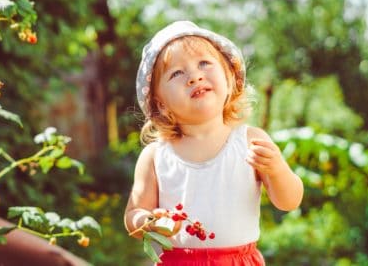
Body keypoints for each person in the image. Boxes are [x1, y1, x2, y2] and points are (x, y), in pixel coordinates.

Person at [124, 20, 304, 265]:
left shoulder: (250, 141)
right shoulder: (156, 156)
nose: (194, 76)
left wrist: (277, 170)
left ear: (229, 78)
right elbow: (133, 213)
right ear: (160, 103)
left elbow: (289, 201)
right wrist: (149, 222)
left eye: (204, 63)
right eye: (177, 73)